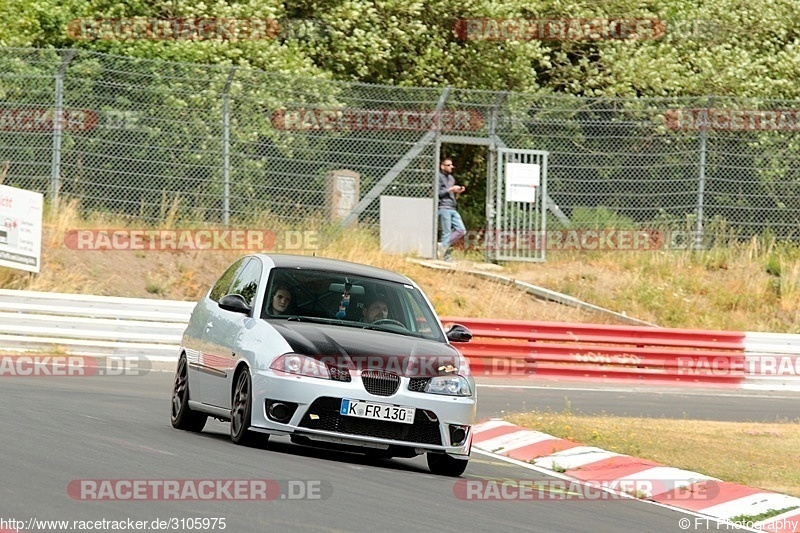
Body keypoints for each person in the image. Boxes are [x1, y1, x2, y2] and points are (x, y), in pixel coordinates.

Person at [437, 157, 467, 262]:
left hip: (452, 207)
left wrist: (458, 191)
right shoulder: (438, 177)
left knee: (461, 230)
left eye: (451, 165)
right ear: (442, 166)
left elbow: (451, 192)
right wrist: (450, 189)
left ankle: (442, 246)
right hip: (443, 207)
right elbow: (438, 193)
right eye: (448, 165)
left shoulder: (451, 178)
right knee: (447, 232)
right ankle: (446, 257)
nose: (451, 167)